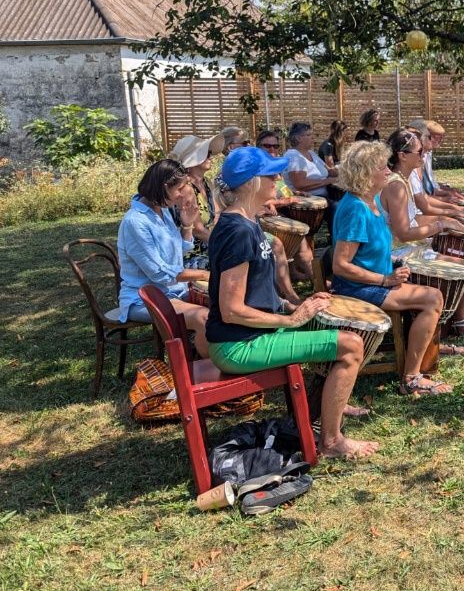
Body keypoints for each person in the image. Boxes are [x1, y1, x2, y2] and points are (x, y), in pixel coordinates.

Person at [206, 147, 378, 460]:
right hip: (237, 346)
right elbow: (231, 309)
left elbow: (256, 295)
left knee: (331, 324)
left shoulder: (248, 221)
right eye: (271, 174)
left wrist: (293, 306)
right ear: (252, 182)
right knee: (352, 345)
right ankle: (331, 440)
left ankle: (320, 413)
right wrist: (292, 320)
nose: (277, 179)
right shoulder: (237, 231)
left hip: (247, 337)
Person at [331, 140, 453, 396]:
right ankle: (411, 378)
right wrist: (385, 279)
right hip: (359, 288)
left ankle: (419, 364)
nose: (388, 171)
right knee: (433, 298)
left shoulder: (370, 200)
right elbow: (341, 265)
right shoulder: (355, 209)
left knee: (429, 292)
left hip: (372, 282)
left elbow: (370, 251)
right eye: (381, 167)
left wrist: (393, 264)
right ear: (364, 173)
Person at [380, 128, 464, 343]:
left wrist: (450, 221)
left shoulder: (402, 180)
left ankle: (456, 316)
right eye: (419, 152)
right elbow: (403, 233)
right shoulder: (396, 186)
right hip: (397, 255)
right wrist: (440, 224)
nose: (423, 154)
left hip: (407, 247)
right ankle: (458, 319)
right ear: (402, 155)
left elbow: (413, 220)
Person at [117, 159, 210, 356]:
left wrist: (186, 226)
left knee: (225, 303)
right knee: (204, 318)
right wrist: (203, 274)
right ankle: (206, 374)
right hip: (144, 298)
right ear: (163, 187)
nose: (180, 196)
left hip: (173, 291)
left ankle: (207, 355)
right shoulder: (136, 222)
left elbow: (178, 253)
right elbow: (160, 274)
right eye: (179, 189)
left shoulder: (162, 210)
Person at [253, 129, 314, 286]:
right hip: (264, 217)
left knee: (302, 239)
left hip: (281, 213)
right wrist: (282, 202)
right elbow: (255, 201)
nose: (273, 150)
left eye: (276, 146)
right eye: (268, 146)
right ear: (258, 146)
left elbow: (280, 189)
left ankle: (302, 273)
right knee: (298, 240)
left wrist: (295, 193)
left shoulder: (276, 167)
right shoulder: (255, 170)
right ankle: (312, 277)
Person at [168, 133, 225, 269]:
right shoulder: (186, 188)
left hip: (209, 246)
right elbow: (198, 231)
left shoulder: (206, 183)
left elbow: (216, 215)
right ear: (192, 159)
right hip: (191, 253)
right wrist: (225, 246)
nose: (210, 156)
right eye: (206, 153)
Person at [283, 121, 342, 222]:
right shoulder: (293, 156)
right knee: (338, 209)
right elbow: (300, 184)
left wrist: (348, 171)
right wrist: (328, 181)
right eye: (309, 135)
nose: (313, 137)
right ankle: (338, 237)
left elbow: (330, 171)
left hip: (325, 195)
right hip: (309, 198)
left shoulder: (311, 153)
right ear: (298, 138)